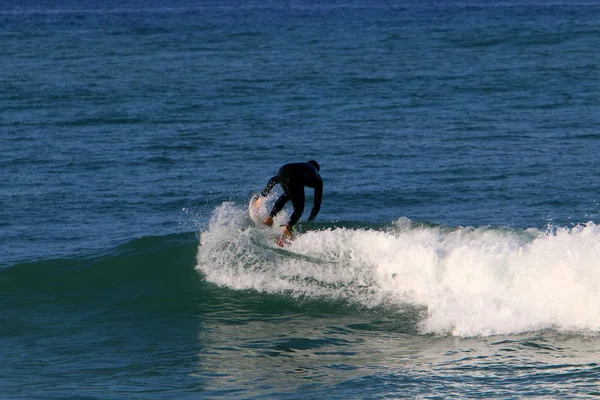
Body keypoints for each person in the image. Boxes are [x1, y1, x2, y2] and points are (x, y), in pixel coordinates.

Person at [253, 160, 323, 243]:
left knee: (288, 194)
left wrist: (263, 196)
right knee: (299, 209)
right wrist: (310, 221)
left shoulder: (302, 167)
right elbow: (316, 206)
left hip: (283, 170)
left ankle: (269, 218)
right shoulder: (317, 178)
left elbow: (273, 180)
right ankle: (288, 227)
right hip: (295, 177)